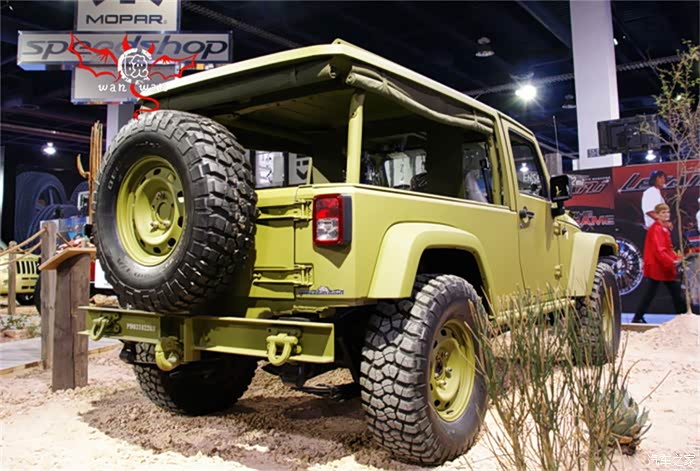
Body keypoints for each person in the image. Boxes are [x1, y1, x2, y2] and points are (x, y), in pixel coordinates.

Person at [632, 203, 687, 323]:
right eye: (663, 212)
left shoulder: (662, 228)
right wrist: (672, 261)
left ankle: (638, 317)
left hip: (662, 266)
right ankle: (683, 316)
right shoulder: (656, 229)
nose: (666, 214)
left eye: (667, 212)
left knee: (662, 292)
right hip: (658, 266)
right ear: (657, 215)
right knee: (672, 292)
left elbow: (667, 249)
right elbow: (659, 250)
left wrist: (676, 258)